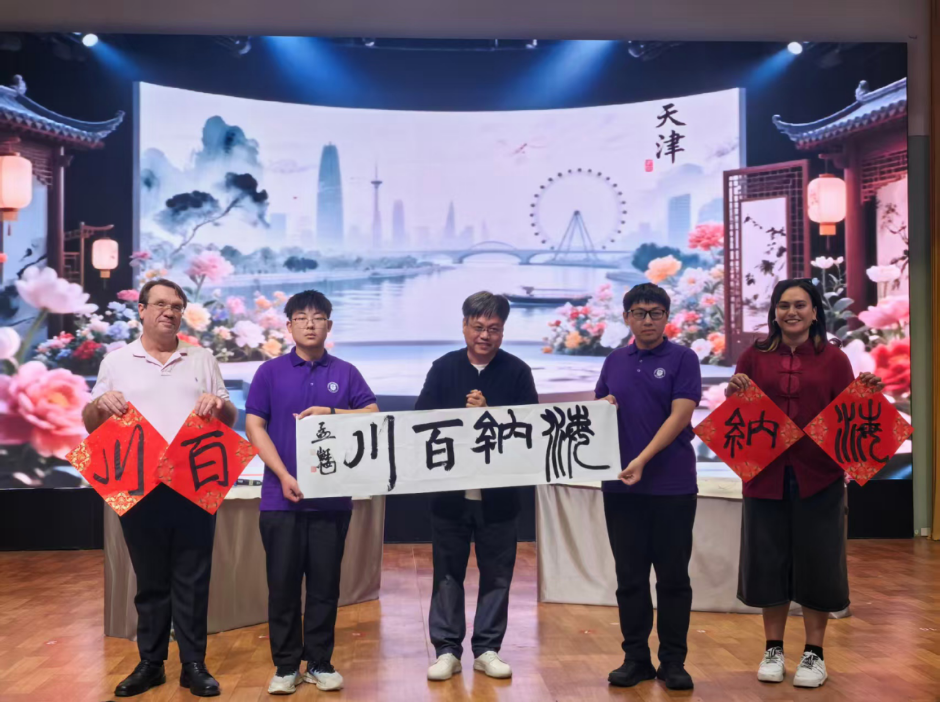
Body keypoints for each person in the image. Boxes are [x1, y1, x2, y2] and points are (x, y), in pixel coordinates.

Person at [83, 279, 238, 698]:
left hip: (194, 482)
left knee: (193, 577)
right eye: (161, 304)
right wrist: (99, 405)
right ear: (142, 310)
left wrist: (218, 405)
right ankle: (150, 663)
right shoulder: (116, 361)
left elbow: (228, 417)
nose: (170, 312)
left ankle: (193, 664)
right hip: (140, 485)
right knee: (150, 579)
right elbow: (92, 422)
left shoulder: (202, 358)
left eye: (177, 306)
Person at [726, 279, 883, 689]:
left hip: (820, 477)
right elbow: (737, 413)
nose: (791, 312)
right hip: (765, 477)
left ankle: (815, 654)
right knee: (768, 560)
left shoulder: (835, 359)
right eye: (783, 305)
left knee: (819, 562)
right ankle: (773, 649)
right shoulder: (753, 356)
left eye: (800, 305)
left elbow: (850, 413)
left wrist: (867, 394)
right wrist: (733, 390)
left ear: (815, 312)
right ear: (774, 312)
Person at [244, 290, 378, 696]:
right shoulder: (270, 372)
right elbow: (254, 426)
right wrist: (283, 475)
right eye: (301, 317)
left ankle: (319, 662)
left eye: (318, 317)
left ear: (328, 325)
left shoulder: (346, 372)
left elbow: (372, 416)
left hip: (331, 501)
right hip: (279, 498)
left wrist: (331, 413)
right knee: (282, 587)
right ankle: (286, 666)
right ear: (288, 326)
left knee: (324, 587)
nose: (309, 323)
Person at [418, 291, 538, 682]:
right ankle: (447, 650)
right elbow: (418, 422)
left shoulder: (517, 371)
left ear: (503, 331)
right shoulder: (444, 368)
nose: (485, 335)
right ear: (464, 326)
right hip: (450, 493)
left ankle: (487, 649)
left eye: (494, 329)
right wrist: (461, 415)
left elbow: (531, 430)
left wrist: (491, 416)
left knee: (497, 575)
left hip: (500, 495)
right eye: (478, 326)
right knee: (447, 573)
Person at [595, 283, 701, 691]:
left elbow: (680, 416)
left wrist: (641, 459)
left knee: (673, 578)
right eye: (639, 313)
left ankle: (673, 661)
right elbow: (598, 414)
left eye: (656, 313)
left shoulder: (683, 359)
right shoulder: (614, 361)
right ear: (626, 318)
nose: (648, 320)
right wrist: (604, 408)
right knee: (630, 578)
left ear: (667, 317)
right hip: (621, 488)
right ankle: (635, 658)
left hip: (672, 486)